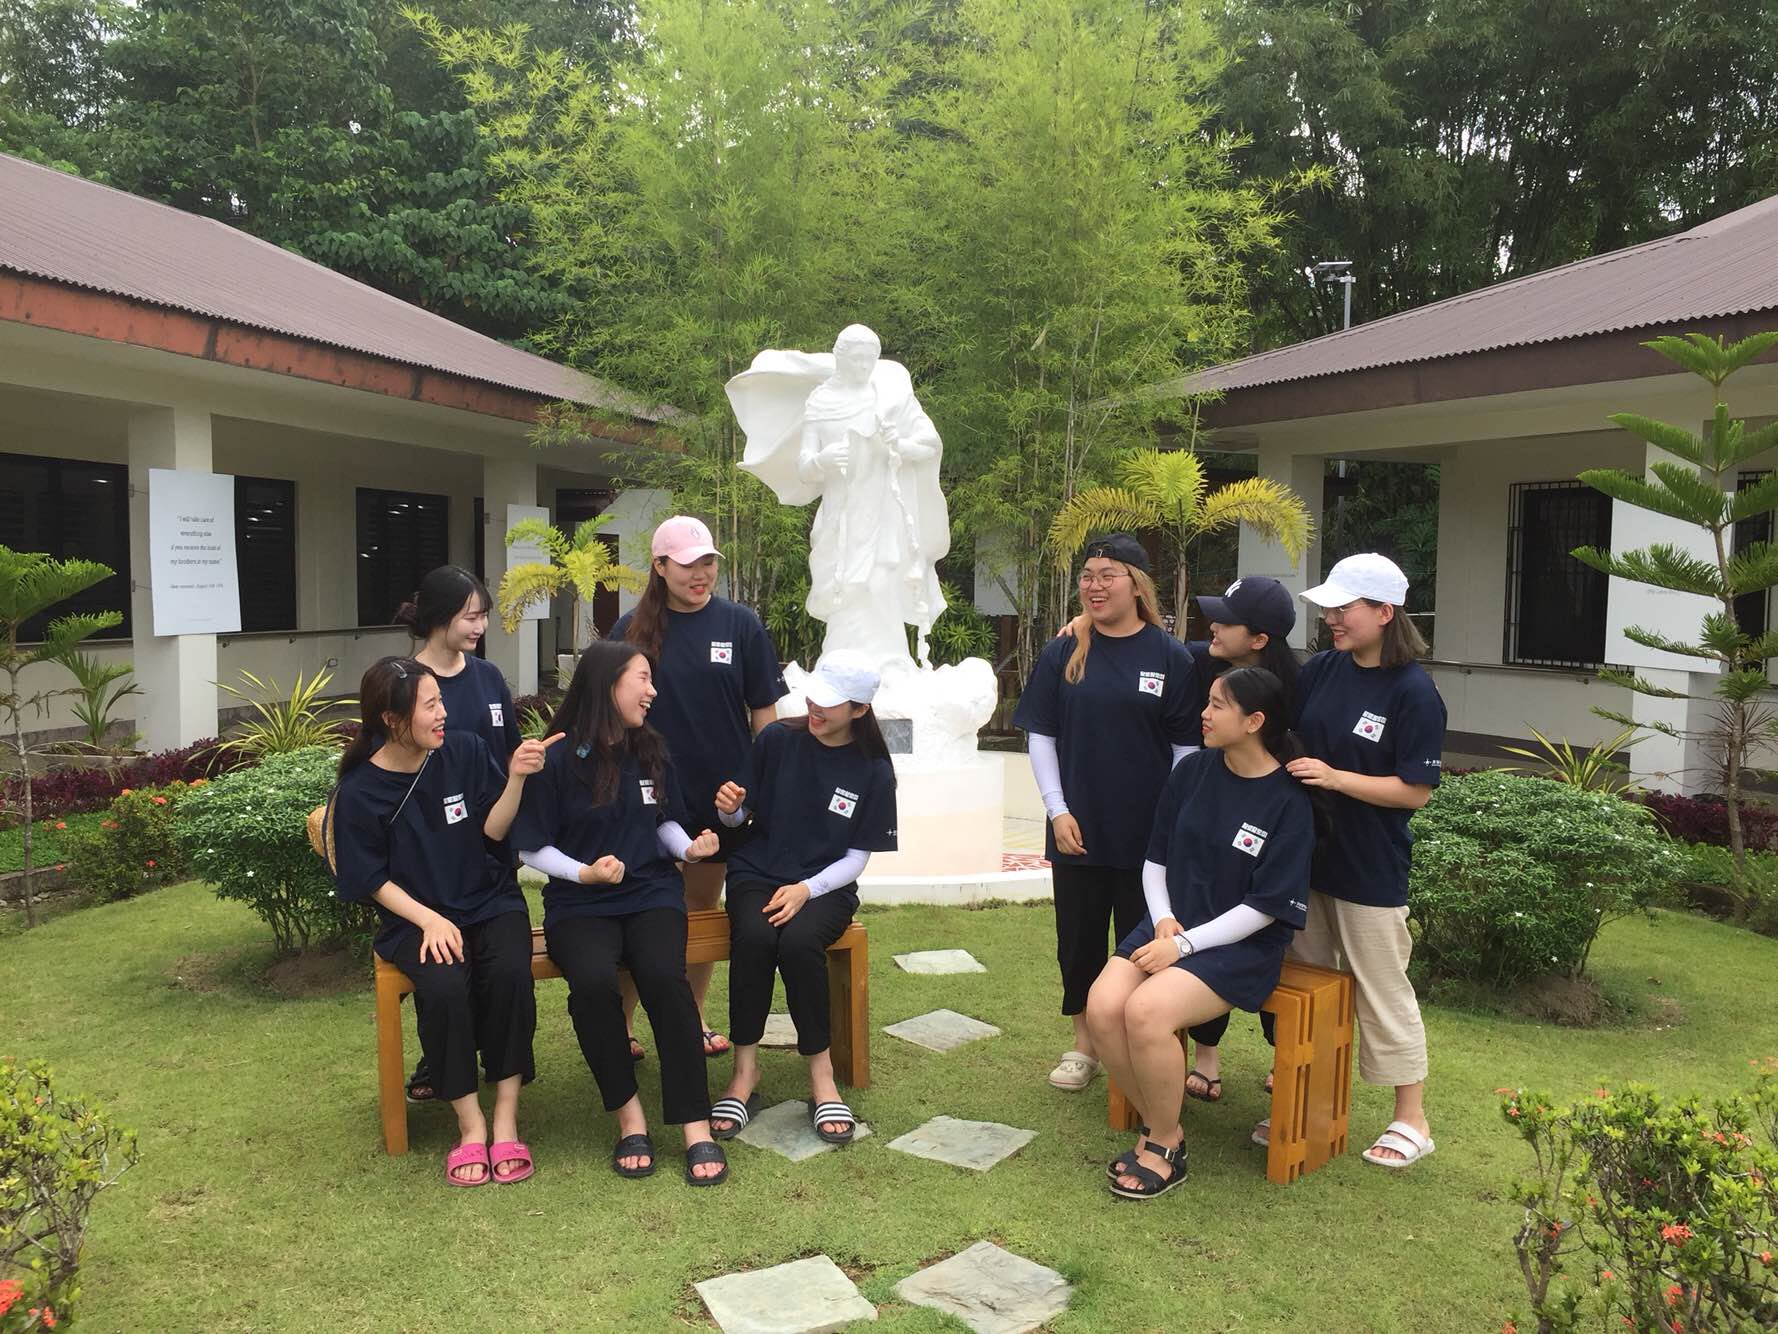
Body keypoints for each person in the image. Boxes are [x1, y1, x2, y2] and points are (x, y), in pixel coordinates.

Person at [1085, 667, 1314, 1199]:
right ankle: (1159, 1120)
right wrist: (1164, 919)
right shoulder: (1191, 771)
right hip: (1171, 922)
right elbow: (1155, 858)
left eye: (1217, 705)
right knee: (1103, 1006)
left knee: (1146, 1011)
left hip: (1240, 943)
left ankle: (1165, 1144)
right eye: (1207, 702)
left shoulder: (1288, 801)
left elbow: (1264, 908)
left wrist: (1182, 945)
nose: (1204, 715)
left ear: (1254, 721)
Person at [330, 656, 556, 1186]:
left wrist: (516, 779)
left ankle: (505, 1116)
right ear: (392, 720)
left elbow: (493, 832)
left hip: (489, 899)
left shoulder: (466, 751)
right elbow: (369, 878)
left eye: (441, 701)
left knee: (509, 973)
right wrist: (428, 920)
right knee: (445, 985)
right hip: (413, 918)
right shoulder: (360, 791)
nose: (443, 713)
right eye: (430, 705)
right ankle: (470, 1124)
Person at [511, 641, 730, 1186]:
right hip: (578, 903)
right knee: (592, 984)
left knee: (664, 979)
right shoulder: (555, 757)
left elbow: (663, 821)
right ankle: (629, 1118)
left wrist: (688, 850)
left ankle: (695, 1126)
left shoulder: (651, 748)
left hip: (651, 894)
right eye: (642, 678)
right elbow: (532, 847)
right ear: (608, 683)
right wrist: (584, 873)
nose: (652, 691)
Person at [1268, 552, 1446, 1168]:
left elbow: (1416, 791)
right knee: (1310, 985)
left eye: (1345, 609)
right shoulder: (1323, 670)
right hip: (1308, 858)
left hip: (1370, 866)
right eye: (1330, 609)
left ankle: (1411, 1119)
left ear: (1385, 612)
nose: (1333, 619)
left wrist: (1336, 778)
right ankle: (1310, 1108)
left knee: (1381, 988)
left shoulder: (1414, 692)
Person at [1015, 533, 1199, 1092]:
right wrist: (1057, 810)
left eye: (1107, 576)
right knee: (1079, 942)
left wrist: (1170, 821)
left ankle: (1146, 1043)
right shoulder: (1064, 651)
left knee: (1145, 944)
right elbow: (1041, 736)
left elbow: (1186, 750)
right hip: (1077, 829)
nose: (1094, 586)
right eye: (1087, 576)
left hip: (1148, 836)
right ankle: (1084, 1045)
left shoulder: (1170, 656)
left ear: (1136, 585)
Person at [612, 516, 786, 1061]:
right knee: (640, 905)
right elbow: (608, 714)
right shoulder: (631, 630)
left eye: (708, 562)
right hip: (646, 793)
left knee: (701, 907)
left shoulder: (740, 624)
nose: (701, 573)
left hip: (722, 798)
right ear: (660, 566)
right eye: (688, 564)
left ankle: (694, 1016)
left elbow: (765, 716)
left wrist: (763, 786)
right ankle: (621, 1023)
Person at [706, 650, 897, 1145]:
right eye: (814, 696)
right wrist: (729, 809)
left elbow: (856, 858)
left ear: (859, 710)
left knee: (797, 943)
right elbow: (739, 819)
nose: (815, 708)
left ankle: (821, 1076)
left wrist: (806, 890)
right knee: (754, 937)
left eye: (830, 703)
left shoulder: (874, 770)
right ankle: (744, 1072)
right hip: (756, 871)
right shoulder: (776, 740)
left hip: (825, 884)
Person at [1166, 575, 1302, 1104]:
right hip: (1216, 828)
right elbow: (1151, 641)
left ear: (1260, 639)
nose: (1213, 628)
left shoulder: (1298, 686)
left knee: (1269, 936)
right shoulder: (1206, 661)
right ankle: (1207, 1056)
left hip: (1275, 835)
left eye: (1226, 621)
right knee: (1205, 907)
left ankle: (1284, 1063)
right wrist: (1086, 622)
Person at [393, 565, 522, 1104]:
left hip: (492, 843)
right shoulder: (404, 682)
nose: (480, 626)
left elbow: (510, 756)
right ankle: (443, 1058)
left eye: (483, 615)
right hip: (432, 853)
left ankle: (498, 1062)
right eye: (470, 616)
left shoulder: (488, 677)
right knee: (446, 963)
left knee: (499, 957)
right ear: (439, 617)